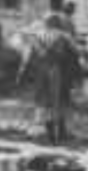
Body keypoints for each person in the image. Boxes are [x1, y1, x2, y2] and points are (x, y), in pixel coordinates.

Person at [17, 12, 82, 145]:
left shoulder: (36, 36)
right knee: (60, 100)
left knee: (42, 100)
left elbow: (28, 57)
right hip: (59, 72)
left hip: (41, 72)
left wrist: (22, 74)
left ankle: (42, 133)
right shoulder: (64, 36)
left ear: (45, 23)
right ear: (58, 23)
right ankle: (60, 133)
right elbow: (77, 51)